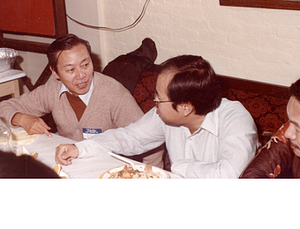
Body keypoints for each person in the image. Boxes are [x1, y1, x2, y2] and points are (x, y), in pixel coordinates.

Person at [55, 55, 259, 178]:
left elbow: (229, 176)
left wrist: (178, 167)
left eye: (158, 98)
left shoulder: (236, 120)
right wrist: (79, 148)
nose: (154, 102)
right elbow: (129, 137)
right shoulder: (165, 115)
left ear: (185, 108)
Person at [240, 79, 300, 178]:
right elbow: (252, 175)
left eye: (298, 129)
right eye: (289, 121)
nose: (287, 133)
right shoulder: (290, 135)